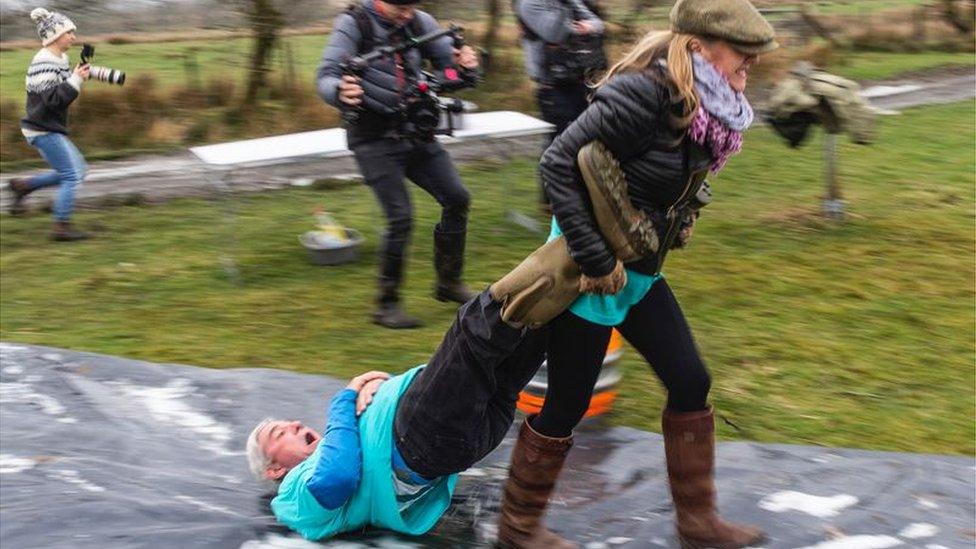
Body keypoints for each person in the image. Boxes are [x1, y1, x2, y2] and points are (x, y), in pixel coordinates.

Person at [494, 0, 778, 548]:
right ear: (699, 47)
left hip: (640, 273)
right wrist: (597, 261)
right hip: (589, 274)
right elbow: (557, 163)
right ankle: (517, 529)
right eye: (744, 53)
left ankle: (698, 524)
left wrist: (684, 211)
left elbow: (660, 176)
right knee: (568, 405)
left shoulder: (703, 103)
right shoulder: (643, 92)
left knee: (691, 380)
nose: (753, 63)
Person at [246, 288, 555, 543]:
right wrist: (345, 398)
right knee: (477, 324)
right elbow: (337, 477)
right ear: (274, 470)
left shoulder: (341, 440)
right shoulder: (291, 495)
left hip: (451, 437)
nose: (295, 423)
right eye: (279, 433)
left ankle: (569, 279)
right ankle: (565, 260)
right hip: (423, 437)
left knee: (542, 327)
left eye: (286, 423)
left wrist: (378, 386)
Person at [315, 0, 481, 329]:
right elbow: (325, 75)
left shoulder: (419, 22)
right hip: (372, 138)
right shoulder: (354, 23)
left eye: (411, 5)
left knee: (457, 197)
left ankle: (449, 282)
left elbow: (450, 72)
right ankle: (386, 304)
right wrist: (339, 91)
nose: (406, 13)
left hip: (416, 134)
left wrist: (467, 66)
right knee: (400, 217)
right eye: (398, 7)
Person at [513, 0, 606, 212]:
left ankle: (574, 196)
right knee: (557, 141)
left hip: (578, 79)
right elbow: (554, 32)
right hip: (551, 85)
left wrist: (586, 26)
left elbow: (598, 24)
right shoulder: (529, 3)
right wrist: (577, 26)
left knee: (584, 139)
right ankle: (551, 200)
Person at [7, 7, 91, 241]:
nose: (73, 37)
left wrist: (78, 75)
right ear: (54, 36)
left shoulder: (59, 58)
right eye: (69, 33)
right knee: (71, 175)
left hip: (49, 127)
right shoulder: (43, 62)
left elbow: (63, 89)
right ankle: (61, 227)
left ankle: (24, 186)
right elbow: (53, 100)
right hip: (41, 129)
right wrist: (75, 79)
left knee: (78, 171)